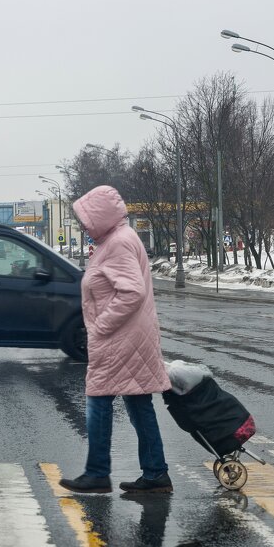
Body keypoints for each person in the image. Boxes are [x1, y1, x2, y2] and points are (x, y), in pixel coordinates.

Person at [60, 185, 173, 494]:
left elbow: (131, 292)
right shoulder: (118, 239)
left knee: (98, 399)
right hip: (130, 337)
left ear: (102, 215)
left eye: (85, 219)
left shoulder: (118, 243)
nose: (83, 225)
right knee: (138, 404)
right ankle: (155, 473)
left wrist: (101, 326)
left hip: (119, 339)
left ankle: (97, 473)